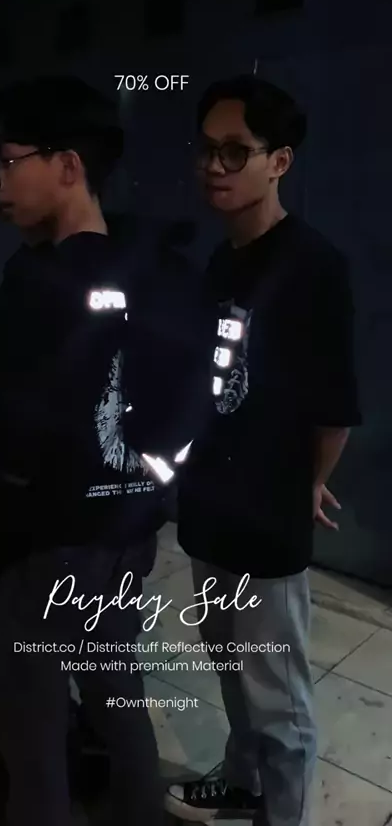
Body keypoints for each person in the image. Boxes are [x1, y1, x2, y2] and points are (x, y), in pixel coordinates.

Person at [0, 75, 214, 826]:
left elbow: (18, 433)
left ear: (68, 165)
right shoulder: (162, 265)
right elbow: (175, 392)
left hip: (44, 543)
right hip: (128, 530)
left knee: (31, 723)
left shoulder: (34, 277)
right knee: (114, 684)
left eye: (5, 163)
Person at [165, 75, 362, 826]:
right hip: (210, 503)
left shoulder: (313, 265)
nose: (213, 167)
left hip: (267, 512)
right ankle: (244, 781)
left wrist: (308, 483)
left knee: (277, 692)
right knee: (228, 665)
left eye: (234, 151)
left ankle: (284, 813)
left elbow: (335, 410)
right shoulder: (221, 262)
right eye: (205, 150)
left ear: (279, 161)